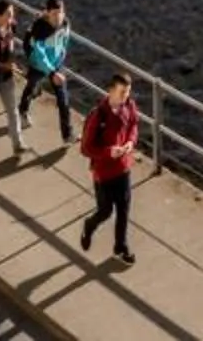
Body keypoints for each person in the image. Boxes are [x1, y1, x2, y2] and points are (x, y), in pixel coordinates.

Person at [76, 74, 139, 265]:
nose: (125, 96)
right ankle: (89, 226)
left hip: (123, 168)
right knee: (105, 211)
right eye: (122, 92)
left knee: (124, 209)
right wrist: (108, 152)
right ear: (110, 90)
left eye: (127, 92)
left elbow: (134, 125)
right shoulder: (98, 115)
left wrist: (130, 142)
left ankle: (120, 247)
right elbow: (86, 148)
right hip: (104, 173)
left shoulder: (129, 105)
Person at [20, 0, 77, 144]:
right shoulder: (40, 30)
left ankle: (67, 134)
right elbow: (40, 54)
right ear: (48, 13)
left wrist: (61, 58)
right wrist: (52, 72)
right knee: (31, 86)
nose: (58, 16)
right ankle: (23, 110)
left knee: (63, 100)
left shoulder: (65, 23)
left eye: (61, 13)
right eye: (55, 13)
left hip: (55, 64)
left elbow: (64, 40)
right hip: (38, 65)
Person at [0, 0, 27, 156]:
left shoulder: (10, 27)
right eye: (9, 14)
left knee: (12, 110)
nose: (12, 17)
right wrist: (8, 66)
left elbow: (12, 44)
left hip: (6, 77)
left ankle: (17, 143)